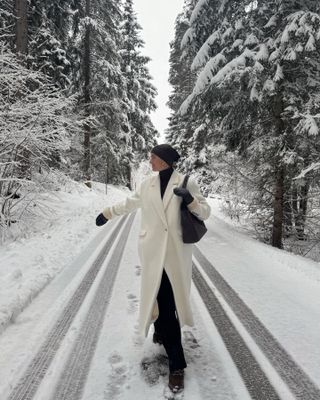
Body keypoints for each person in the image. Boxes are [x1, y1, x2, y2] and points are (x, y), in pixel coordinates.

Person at [96, 144, 211, 393]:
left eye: (154, 157)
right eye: (150, 156)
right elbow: (130, 203)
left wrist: (190, 200)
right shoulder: (148, 184)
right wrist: (107, 213)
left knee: (167, 305)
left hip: (174, 255)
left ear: (165, 160)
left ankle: (177, 365)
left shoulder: (186, 182)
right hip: (151, 253)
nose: (150, 160)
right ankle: (160, 331)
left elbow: (205, 212)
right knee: (159, 297)